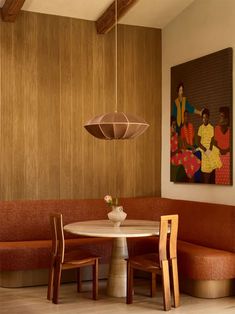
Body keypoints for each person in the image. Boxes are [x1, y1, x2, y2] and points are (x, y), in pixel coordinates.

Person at [171, 116, 200, 181]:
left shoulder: (176, 135)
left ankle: (192, 176)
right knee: (186, 156)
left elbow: (182, 145)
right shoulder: (168, 138)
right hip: (173, 158)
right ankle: (191, 176)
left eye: (175, 125)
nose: (175, 127)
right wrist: (178, 150)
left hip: (179, 153)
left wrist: (182, 149)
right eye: (173, 125)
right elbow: (170, 154)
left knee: (189, 153)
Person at [198, 108, 221, 183]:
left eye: (206, 117)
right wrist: (205, 150)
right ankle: (206, 182)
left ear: (208, 118)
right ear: (202, 118)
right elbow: (199, 142)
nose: (205, 119)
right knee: (205, 170)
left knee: (214, 159)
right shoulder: (200, 128)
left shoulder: (211, 128)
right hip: (203, 148)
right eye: (203, 117)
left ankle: (209, 181)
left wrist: (209, 150)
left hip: (209, 148)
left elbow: (212, 141)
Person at [214, 107, 231, 185]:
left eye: (222, 116)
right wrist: (220, 150)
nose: (220, 118)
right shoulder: (216, 129)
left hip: (228, 154)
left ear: (226, 119)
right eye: (219, 116)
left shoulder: (231, 130)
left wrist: (226, 150)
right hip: (219, 153)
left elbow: (232, 145)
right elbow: (215, 144)